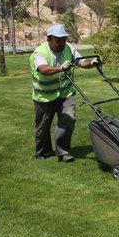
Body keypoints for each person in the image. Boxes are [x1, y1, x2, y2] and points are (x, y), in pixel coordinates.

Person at [31, 24, 97, 162]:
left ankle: (63, 152)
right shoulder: (40, 52)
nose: (62, 43)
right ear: (49, 39)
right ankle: (42, 152)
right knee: (43, 127)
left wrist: (91, 62)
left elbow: (80, 61)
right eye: (58, 40)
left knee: (68, 120)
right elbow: (43, 69)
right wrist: (60, 68)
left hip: (65, 93)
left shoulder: (68, 48)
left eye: (64, 39)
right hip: (44, 96)